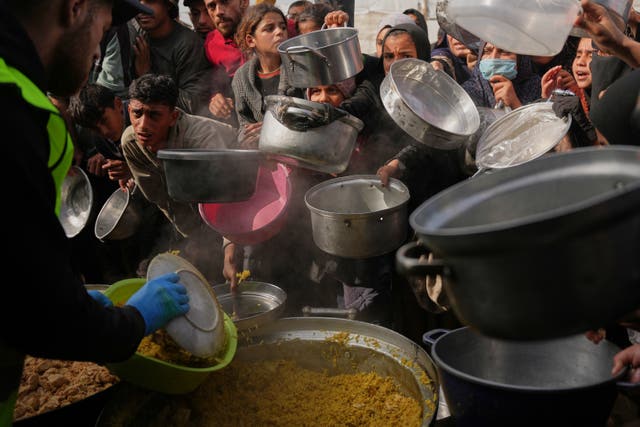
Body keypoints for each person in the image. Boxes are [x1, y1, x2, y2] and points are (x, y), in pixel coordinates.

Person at [0, 0, 191, 424]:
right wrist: (134, 319)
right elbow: (42, 315)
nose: (101, 50)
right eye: (104, 29)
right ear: (75, 8)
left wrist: (60, 290)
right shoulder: (12, 107)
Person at [121, 73, 236, 283]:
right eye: (137, 113)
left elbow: (226, 197)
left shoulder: (200, 139)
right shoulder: (130, 143)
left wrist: (229, 251)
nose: (143, 125)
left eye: (154, 115)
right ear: (129, 110)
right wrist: (193, 241)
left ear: (173, 116)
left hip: (239, 199)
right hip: (193, 211)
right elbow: (161, 198)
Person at [231, 3, 302, 148]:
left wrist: (271, 129)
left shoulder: (300, 67)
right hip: (264, 158)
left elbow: (313, 116)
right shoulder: (241, 78)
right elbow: (245, 126)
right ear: (251, 40)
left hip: (301, 150)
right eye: (269, 29)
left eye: (282, 27)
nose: (279, 32)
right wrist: (248, 137)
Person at [132, 0, 213, 116]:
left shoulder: (188, 44)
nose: (141, 9)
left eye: (150, 1)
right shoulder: (135, 36)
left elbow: (194, 105)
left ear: (168, 5)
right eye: (137, 2)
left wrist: (147, 77)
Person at [204, 0, 249, 127]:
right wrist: (215, 100)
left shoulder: (275, 29)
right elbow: (214, 82)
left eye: (225, 2)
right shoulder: (211, 43)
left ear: (244, 2)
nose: (219, 12)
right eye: (212, 6)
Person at [462, 42, 542, 110]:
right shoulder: (467, 93)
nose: (493, 58)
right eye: (487, 51)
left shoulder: (538, 88)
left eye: (504, 51)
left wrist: (516, 105)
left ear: (521, 58)